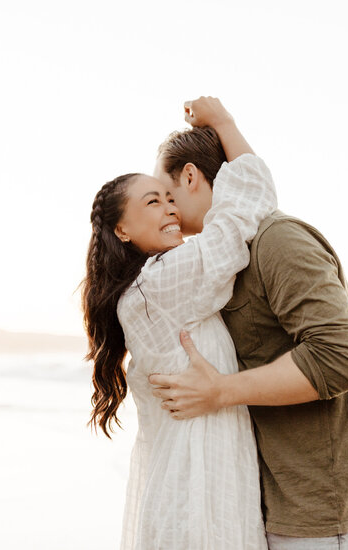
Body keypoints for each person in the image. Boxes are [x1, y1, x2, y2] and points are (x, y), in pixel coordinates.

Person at [149, 118, 348, 549]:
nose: (165, 209)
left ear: (191, 176)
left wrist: (220, 391)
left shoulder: (278, 240)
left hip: (331, 514)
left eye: (167, 193)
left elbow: (343, 356)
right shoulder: (222, 260)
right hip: (283, 507)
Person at [82, 97, 277, 550]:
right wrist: (224, 122)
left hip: (192, 489)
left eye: (171, 198)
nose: (170, 209)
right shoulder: (162, 283)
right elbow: (249, 202)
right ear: (122, 231)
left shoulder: (148, 288)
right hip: (198, 498)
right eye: (153, 201)